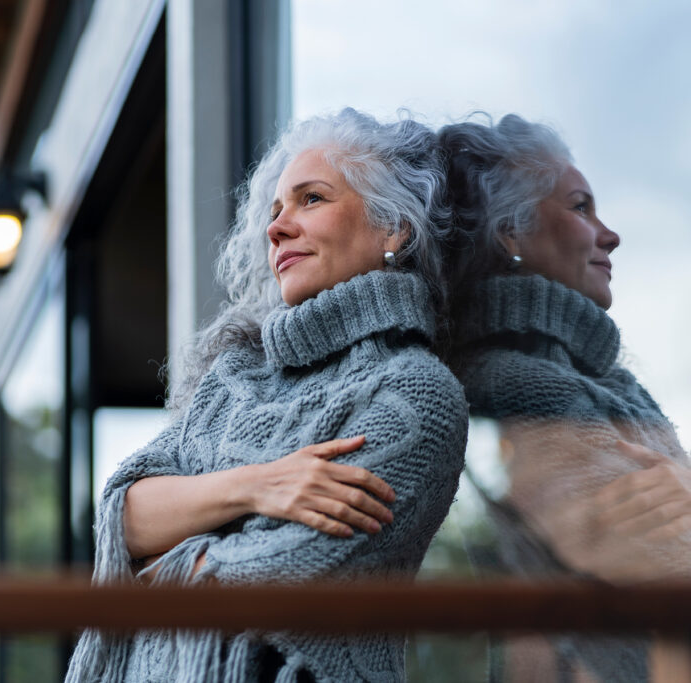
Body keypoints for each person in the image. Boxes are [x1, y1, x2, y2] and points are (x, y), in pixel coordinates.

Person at [65, 108, 469, 683]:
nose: (276, 228)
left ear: (393, 228)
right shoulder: (234, 376)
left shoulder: (414, 393)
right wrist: (259, 487)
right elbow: (124, 516)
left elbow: (282, 574)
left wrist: (158, 566)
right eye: (275, 210)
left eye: (311, 199)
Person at [439, 114, 691, 682]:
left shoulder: (597, 384)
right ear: (510, 233)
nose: (610, 234)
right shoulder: (525, 390)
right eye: (581, 208)